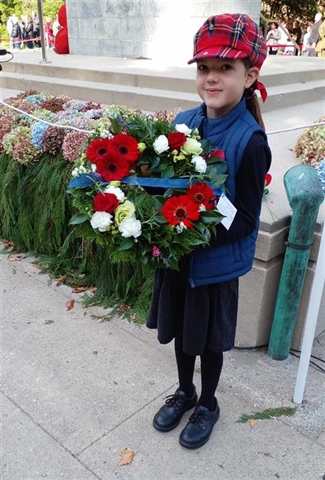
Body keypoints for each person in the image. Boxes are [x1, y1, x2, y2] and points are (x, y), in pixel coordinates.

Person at [147, 13, 272, 449]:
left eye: (225, 68)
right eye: (204, 68)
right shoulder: (184, 121)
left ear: (250, 75)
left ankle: (209, 403)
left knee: (209, 341)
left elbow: (244, 221)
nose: (211, 78)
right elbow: (163, 185)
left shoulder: (250, 141)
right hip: (179, 258)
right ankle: (185, 391)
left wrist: (187, 234)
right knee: (182, 330)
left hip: (215, 266)